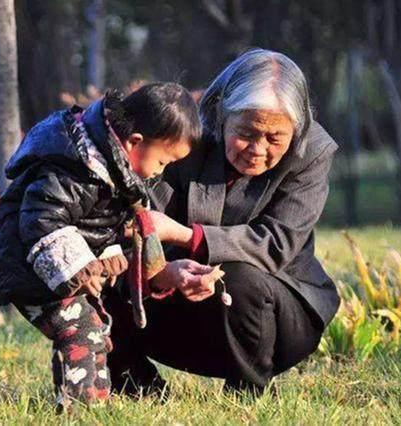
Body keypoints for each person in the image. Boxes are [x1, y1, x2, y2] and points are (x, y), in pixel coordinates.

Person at [106, 49, 341, 395]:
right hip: (172, 301)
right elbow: (139, 222)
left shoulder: (312, 151)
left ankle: (248, 389)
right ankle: (136, 384)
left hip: (274, 317)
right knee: (92, 268)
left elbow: (276, 244)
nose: (257, 149)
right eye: (246, 132)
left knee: (240, 274)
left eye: (275, 138)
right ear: (220, 114)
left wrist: (188, 237)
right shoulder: (181, 135)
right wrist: (166, 271)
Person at [0, 83, 202, 411]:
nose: (160, 173)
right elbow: (40, 219)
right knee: (80, 329)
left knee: (94, 327)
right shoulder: (76, 169)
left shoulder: (113, 172)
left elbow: (98, 225)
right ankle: (80, 407)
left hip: (55, 272)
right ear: (134, 142)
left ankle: (96, 397)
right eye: (163, 161)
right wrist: (80, 269)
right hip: (31, 269)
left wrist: (110, 254)